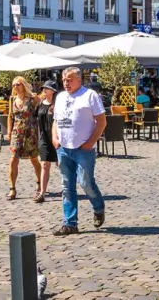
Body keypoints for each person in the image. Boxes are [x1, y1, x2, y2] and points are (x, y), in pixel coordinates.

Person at [51, 67, 107, 235]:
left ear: (79, 80)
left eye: (69, 79)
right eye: (64, 80)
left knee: (86, 183)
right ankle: (70, 223)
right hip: (64, 148)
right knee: (67, 186)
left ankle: (98, 207)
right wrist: (55, 138)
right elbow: (55, 120)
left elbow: (102, 122)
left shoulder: (90, 95)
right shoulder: (60, 97)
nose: (66, 83)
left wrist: (90, 142)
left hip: (83, 148)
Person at [6, 77, 42, 201]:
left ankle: (39, 184)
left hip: (31, 132)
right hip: (17, 132)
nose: (16, 86)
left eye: (18, 84)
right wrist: (9, 132)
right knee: (13, 159)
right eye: (14, 84)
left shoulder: (32, 99)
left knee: (34, 159)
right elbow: (10, 116)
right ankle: (12, 188)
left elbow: (42, 108)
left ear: (24, 85)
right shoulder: (12, 99)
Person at [35, 81, 58, 203]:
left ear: (53, 91)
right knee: (45, 165)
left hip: (57, 138)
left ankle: (68, 189)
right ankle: (42, 193)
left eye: (47, 88)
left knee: (62, 166)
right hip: (44, 138)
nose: (44, 89)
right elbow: (35, 119)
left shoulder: (58, 104)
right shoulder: (40, 104)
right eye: (43, 88)